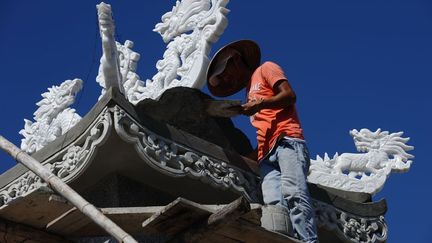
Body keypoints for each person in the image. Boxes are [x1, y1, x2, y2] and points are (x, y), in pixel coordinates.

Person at [206, 40, 318, 243]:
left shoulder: (267, 68)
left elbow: (289, 96)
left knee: (294, 193)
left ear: (237, 60)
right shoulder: (248, 93)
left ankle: (308, 240)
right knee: (274, 203)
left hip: (287, 142)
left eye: (225, 72)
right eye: (222, 78)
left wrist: (260, 104)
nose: (227, 78)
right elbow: (264, 130)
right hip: (266, 154)